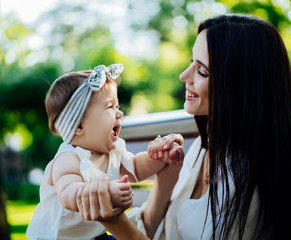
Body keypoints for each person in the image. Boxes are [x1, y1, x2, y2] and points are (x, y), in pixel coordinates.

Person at [77, 14, 291, 240]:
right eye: (192, 62)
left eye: (202, 70)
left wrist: (115, 222)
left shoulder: (249, 186)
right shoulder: (205, 147)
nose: (184, 75)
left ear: (240, 88)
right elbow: (154, 230)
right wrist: (166, 179)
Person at [26, 64, 184, 240]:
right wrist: (106, 193)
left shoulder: (113, 152)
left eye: (117, 106)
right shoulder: (67, 159)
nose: (119, 113)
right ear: (79, 126)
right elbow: (69, 194)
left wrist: (158, 157)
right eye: (110, 107)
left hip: (96, 235)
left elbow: (138, 169)